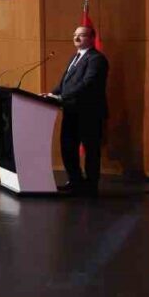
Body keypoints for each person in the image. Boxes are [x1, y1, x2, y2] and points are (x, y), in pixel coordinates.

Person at [45, 26, 109, 196]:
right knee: (67, 147)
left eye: (81, 35)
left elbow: (87, 84)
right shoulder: (75, 57)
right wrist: (51, 94)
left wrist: (61, 97)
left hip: (89, 113)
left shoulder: (96, 59)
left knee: (91, 150)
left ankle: (90, 186)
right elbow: (64, 82)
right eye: (75, 35)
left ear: (92, 38)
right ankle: (75, 181)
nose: (76, 38)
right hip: (71, 111)